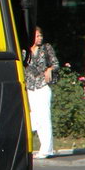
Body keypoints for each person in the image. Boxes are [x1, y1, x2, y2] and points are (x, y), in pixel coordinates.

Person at [25, 26, 58, 159]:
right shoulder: (25, 50)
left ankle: (47, 149)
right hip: (30, 87)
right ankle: (38, 146)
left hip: (43, 85)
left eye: (41, 36)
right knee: (34, 117)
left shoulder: (46, 48)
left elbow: (55, 63)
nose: (40, 38)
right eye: (37, 36)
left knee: (44, 116)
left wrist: (49, 69)